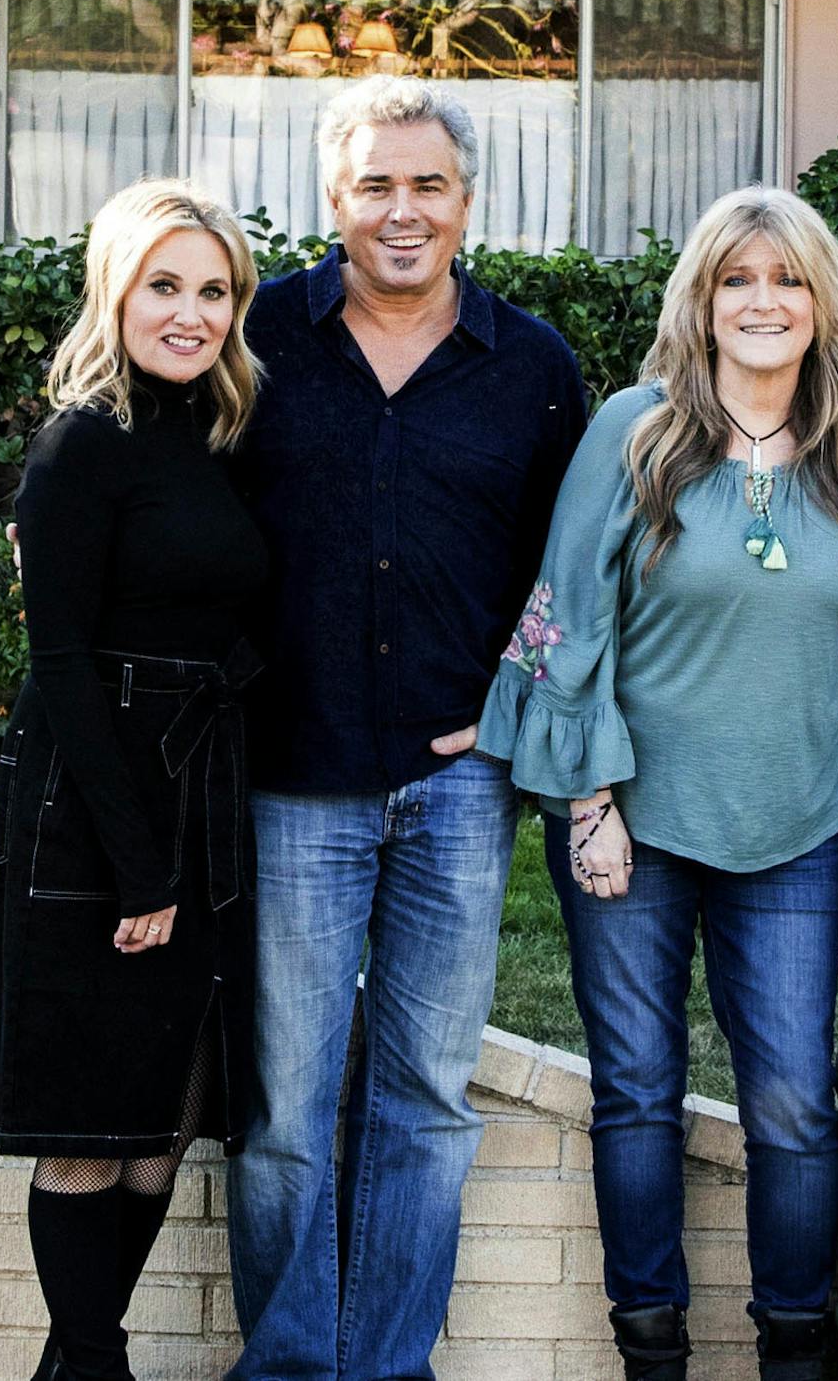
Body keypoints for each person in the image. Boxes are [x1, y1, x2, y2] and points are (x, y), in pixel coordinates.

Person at [478, 188, 838, 1381]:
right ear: (702, 302)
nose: (765, 302)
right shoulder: (637, 430)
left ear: (821, 305)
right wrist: (589, 802)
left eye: (789, 281)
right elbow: (567, 619)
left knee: (798, 1111)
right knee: (640, 1094)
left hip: (795, 832)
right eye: (738, 280)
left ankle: (793, 1350)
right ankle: (649, 1348)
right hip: (633, 827)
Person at [223, 78, 588, 1380]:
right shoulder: (254, 339)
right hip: (292, 779)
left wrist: (513, 708)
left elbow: (572, 574)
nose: (402, 209)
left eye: (427, 184)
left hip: (458, 790)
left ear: (466, 201)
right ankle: (287, 1363)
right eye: (375, 183)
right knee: (284, 1111)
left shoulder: (534, 368)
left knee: (427, 1103)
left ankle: (386, 1364)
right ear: (335, 198)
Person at [0, 178, 269, 1381]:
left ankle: (78, 1361)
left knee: (166, 1108)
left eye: (214, 291)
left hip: (197, 788)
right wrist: (137, 861)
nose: (191, 314)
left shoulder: (215, 432)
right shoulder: (81, 442)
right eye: (166, 286)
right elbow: (59, 663)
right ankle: (91, 1360)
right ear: (116, 289)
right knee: (89, 1121)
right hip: (92, 807)